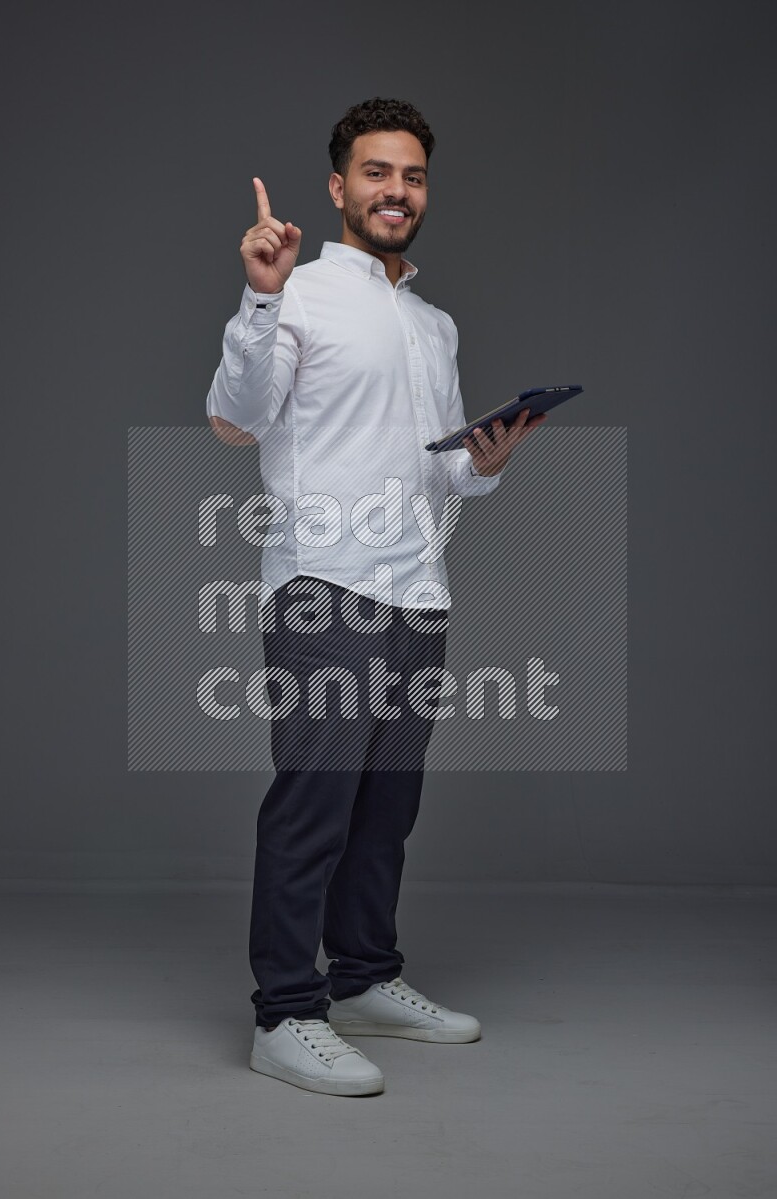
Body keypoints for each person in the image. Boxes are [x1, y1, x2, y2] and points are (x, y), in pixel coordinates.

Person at [206, 97, 546, 1097]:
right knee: (310, 806)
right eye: (375, 172)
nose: (395, 191)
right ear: (337, 185)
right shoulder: (298, 295)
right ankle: (283, 1010)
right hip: (325, 590)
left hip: (415, 591)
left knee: (383, 808)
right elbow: (234, 418)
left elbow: (444, 473)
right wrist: (257, 297)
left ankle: (360, 977)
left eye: (411, 176)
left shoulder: (432, 324)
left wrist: (487, 458)